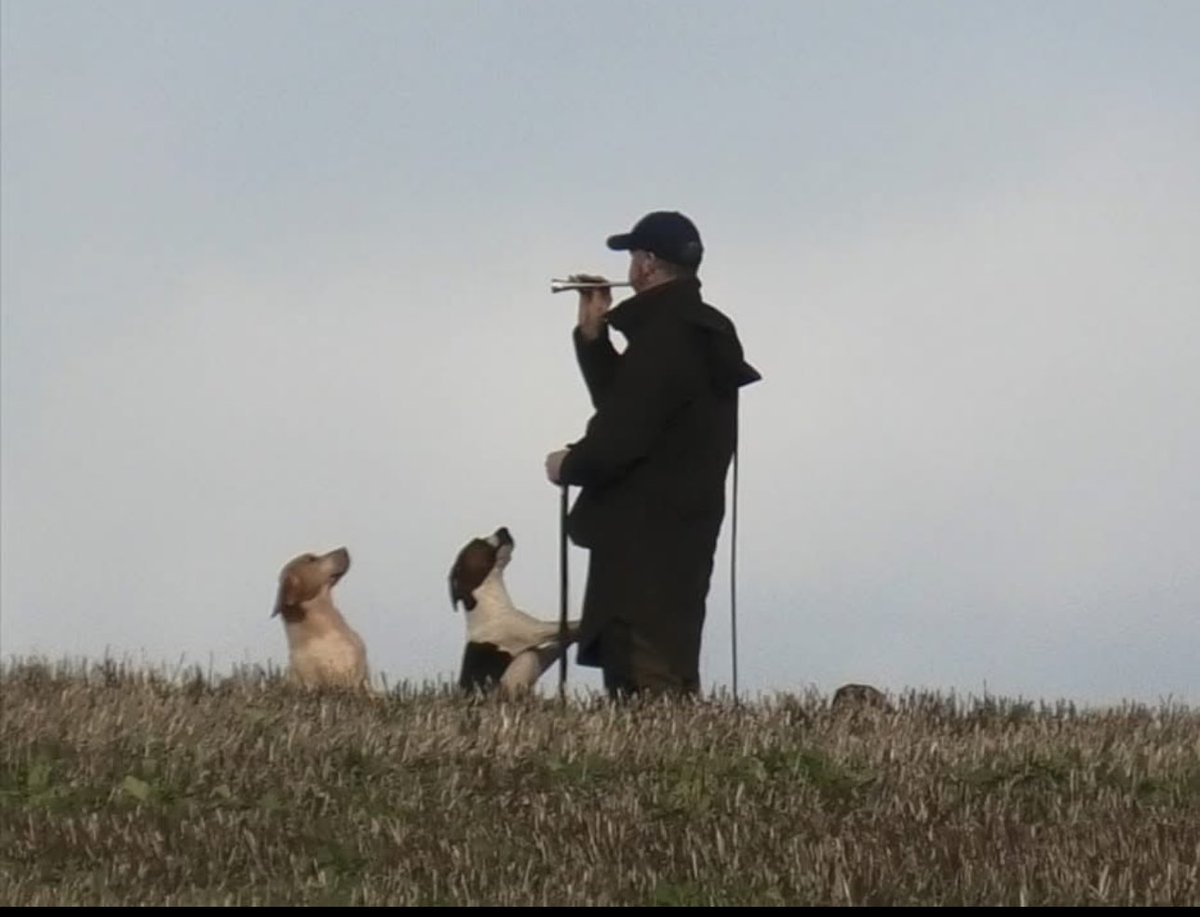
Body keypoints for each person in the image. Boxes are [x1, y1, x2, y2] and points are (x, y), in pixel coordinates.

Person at [545, 211, 761, 698]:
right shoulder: (699, 332)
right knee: (671, 663)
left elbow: (620, 437)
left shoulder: (664, 339)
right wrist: (594, 337)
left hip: (638, 546)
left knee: (643, 677)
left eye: (632, 257)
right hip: (685, 534)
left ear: (645, 265)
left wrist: (569, 466)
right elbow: (636, 410)